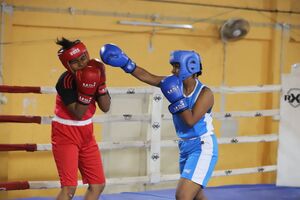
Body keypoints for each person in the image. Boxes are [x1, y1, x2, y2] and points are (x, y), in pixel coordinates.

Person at [100, 44, 218, 200]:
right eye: (173, 66)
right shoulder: (173, 83)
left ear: (191, 66)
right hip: (185, 146)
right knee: (196, 196)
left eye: (177, 66)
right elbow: (147, 76)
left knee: (183, 195)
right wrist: (125, 63)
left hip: (203, 146)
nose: (173, 71)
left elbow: (190, 121)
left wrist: (177, 99)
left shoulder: (205, 93)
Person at [52, 37, 111, 200]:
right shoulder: (65, 81)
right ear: (67, 65)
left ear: (88, 54)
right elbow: (77, 113)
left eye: (83, 58)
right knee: (69, 188)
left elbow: (105, 107)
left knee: (98, 184)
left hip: (86, 133)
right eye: (75, 62)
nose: (82, 63)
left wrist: (100, 84)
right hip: (65, 133)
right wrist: (87, 89)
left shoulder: (95, 72)